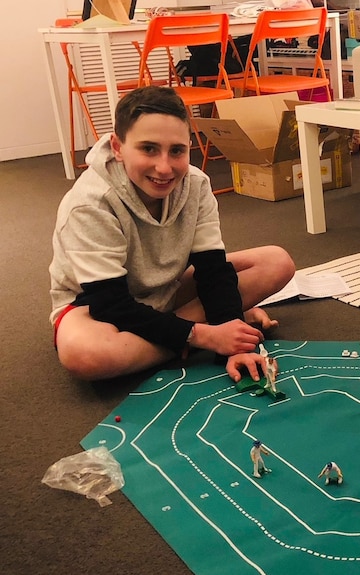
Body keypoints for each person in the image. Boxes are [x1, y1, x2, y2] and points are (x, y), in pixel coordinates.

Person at [49, 86, 294, 383]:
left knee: (277, 262)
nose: (164, 168)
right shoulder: (90, 203)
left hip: (167, 287)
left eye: (177, 150)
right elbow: (110, 304)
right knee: (86, 355)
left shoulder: (197, 185)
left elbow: (213, 269)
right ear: (117, 147)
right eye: (148, 149)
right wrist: (204, 335)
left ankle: (194, 332)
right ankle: (197, 333)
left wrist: (231, 332)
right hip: (94, 307)